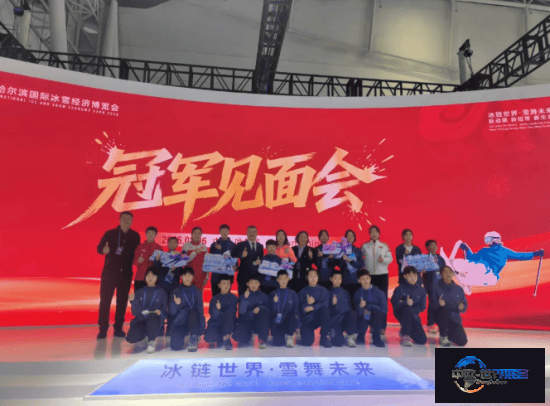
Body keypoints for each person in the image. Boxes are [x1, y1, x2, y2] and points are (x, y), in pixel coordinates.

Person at [444, 232, 544, 294]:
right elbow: (472, 258)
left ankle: (456, 265)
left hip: (489, 274)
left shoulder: (503, 251)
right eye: (486, 240)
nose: (487, 242)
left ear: (496, 239)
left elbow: (519, 256)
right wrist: (466, 249)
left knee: (479, 267)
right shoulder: (484, 250)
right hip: (489, 278)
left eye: (489, 239)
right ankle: (461, 275)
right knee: (469, 274)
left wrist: (535, 253)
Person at [96, 211, 141, 339]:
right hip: (109, 272)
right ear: (119, 219)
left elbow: (137, 253)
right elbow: (99, 248)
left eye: (129, 219)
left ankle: (118, 328)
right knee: (105, 301)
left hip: (125, 273)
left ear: (132, 221)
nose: (127, 221)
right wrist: (103, 250)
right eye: (124, 218)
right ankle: (103, 329)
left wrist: (139, 261)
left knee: (122, 301)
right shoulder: (110, 233)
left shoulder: (135, 236)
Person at [361, 225, 392, 341]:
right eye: (372, 232)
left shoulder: (384, 246)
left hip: (382, 275)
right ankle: (371, 325)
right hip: (369, 277)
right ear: (369, 234)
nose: (374, 234)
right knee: (369, 301)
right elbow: (359, 257)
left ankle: (382, 326)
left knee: (382, 301)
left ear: (379, 233)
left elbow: (390, 259)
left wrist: (383, 260)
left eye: (376, 232)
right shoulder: (365, 246)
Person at [126, 267, 167, 353]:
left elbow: (165, 311)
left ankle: (152, 341)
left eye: (153, 276)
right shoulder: (139, 292)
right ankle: (144, 334)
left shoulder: (162, 292)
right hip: (141, 320)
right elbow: (135, 313)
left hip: (155, 320)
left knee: (152, 316)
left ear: (157, 278)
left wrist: (160, 312)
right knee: (131, 338)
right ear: (145, 277)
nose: (150, 278)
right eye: (148, 276)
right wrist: (133, 302)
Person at [168, 266, 206, 352]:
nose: (187, 278)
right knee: (175, 347)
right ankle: (181, 336)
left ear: (193, 277)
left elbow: (200, 311)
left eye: (190, 275)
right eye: (185, 275)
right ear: (181, 277)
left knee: (193, 312)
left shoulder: (197, 291)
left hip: (193, 321)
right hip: (180, 322)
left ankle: (193, 338)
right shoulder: (176, 291)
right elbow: (171, 312)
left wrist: (201, 330)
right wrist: (175, 304)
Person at [391, 266, 427, 346]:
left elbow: (422, 307)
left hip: (414, 315)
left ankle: (404, 330)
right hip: (401, 313)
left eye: (415, 276)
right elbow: (394, 304)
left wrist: (412, 311)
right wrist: (405, 303)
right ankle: (405, 335)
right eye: (410, 276)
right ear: (405, 276)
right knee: (407, 309)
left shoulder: (421, 290)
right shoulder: (399, 288)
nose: (413, 278)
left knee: (422, 340)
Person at [433, 266, 468, 346]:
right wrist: (439, 304)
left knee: (462, 342)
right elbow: (432, 305)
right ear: (441, 274)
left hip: (454, 318)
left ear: (453, 274)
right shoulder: (436, 288)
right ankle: (443, 336)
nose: (448, 274)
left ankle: (448, 333)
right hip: (440, 315)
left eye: (450, 272)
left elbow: (464, 305)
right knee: (444, 309)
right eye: (445, 272)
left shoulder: (459, 289)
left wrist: (462, 307)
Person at [232, 275, 270, 349]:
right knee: (241, 339)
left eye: (256, 283)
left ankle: (262, 340)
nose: (253, 285)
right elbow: (242, 313)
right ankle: (247, 337)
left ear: (259, 284)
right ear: (247, 284)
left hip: (259, 323)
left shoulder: (264, 296)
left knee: (264, 313)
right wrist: (245, 299)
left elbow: (268, 311)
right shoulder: (243, 296)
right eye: (251, 283)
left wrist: (260, 308)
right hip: (247, 321)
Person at [353, 269, 387, 348]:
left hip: (376, 315)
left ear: (370, 279)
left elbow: (384, 309)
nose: (366, 281)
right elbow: (356, 310)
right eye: (363, 279)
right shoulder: (357, 294)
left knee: (376, 312)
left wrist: (369, 306)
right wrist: (360, 306)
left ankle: (376, 337)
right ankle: (361, 335)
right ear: (359, 281)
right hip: (365, 314)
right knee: (365, 313)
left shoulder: (379, 292)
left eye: (367, 278)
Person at [298, 268, 332, 347]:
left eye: (315, 276)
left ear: (318, 277)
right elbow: (299, 308)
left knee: (325, 310)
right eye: (311, 276)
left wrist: (313, 307)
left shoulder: (323, 290)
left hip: (319, 318)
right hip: (307, 321)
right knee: (307, 342)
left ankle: (324, 337)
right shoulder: (302, 292)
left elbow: (326, 304)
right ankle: (305, 334)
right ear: (307, 277)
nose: (313, 278)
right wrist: (307, 305)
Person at [204, 274, 238, 350]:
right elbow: (213, 316)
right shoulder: (214, 299)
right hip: (216, 323)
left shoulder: (233, 298)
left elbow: (231, 313)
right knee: (209, 337)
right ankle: (219, 338)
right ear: (219, 285)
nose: (226, 286)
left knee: (229, 315)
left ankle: (226, 337)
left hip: (228, 324)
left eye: (228, 284)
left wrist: (220, 310)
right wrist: (217, 309)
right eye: (224, 284)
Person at [269, 270, 300, 347]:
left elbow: (296, 311)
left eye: (285, 278)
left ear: (288, 279)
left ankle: (290, 336)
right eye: (281, 279)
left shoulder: (293, 294)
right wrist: (274, 303)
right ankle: (279, 335)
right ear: (277, 280)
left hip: (288, 321)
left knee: (292, 314)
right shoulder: (273, 294)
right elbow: (271, 312)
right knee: (278, 343)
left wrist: (298, 326)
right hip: (277, 321)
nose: (283, 281)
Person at [328, 271, 357, 347]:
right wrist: (333, 305)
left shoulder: (346, 293)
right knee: (338, 343)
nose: (337, 281)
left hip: (344, 321)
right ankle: (333, 334)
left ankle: (350, 336)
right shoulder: (328, 293)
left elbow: (350, 309)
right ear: (331, 279)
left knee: (353, 313)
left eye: (339, 279)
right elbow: (326, 313)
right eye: (335, 278)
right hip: (334, 323)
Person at [424, 239, 446, 334]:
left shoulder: (440, 258)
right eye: (431, 245)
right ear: (428, 247)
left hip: (440, 284)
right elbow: (423, 271)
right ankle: (430, 324)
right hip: (430, 285)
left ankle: (441, 324)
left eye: (435, 245)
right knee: (433, 303)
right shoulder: (424, 258)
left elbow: (444, 271)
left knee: (441, 304)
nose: (434, 247)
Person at [209, 224, 237, 298]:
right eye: (222, 230)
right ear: (219, 232)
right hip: (216, 276)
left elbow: (235, 260)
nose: (224, 232)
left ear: (229, 232)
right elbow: (210, 260)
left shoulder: (233, 245)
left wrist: (235, 266)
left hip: (227, 276)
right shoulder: (214, 245)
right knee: (215, 298)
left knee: (226, 298)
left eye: (226, 230)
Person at [235, 226, 264, 296]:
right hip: (243, 278)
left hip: (255, 279)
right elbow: (234, 256)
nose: (252, 234)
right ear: (247, 233)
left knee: (254, 299)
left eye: (254, 232)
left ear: (257, 233)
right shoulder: (241, 245)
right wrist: (241, 255)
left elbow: (261, 259)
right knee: (242, 298)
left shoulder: (260, 246)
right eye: (250, 232)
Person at [133, 227, 162, 292]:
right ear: (146, 234)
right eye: (149, 233)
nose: (150, 235)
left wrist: (158, 261)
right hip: (140, 277)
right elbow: (134, 262)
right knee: (138, 296)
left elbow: (161, 264)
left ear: (155, 235)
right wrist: (138, 261)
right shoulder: (140, 246)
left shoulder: (158, 248)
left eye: (152, 233)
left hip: (153, 279)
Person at [339, 229, 364, 301]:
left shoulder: (358, 250)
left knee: (356, 301)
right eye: (348, 235)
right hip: (345, 281)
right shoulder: (341, 250)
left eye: (352, 235)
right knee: (346, 301)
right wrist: (343, 259)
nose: (350, 237)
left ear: (354, 238)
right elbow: (339, 265)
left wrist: (351, 261)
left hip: (356, 280)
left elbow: (361, 264)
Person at [183, 227, 209, 291]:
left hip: (200, 277)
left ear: (201, 235)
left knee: (198, 295)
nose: (197, 235)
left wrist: (206, 277)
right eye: (195, 233)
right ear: (191, 234)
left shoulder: (204, 248)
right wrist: (194, 253)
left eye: (199, 233)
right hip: (188, 276)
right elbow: (184, 261)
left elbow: (206, 263)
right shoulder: (186, 246)